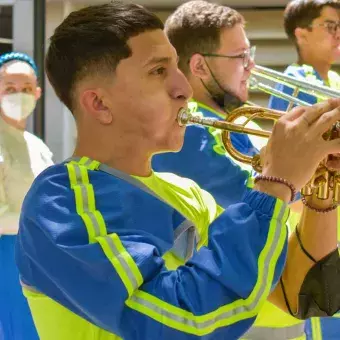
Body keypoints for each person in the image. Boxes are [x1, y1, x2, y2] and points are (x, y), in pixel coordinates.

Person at [15, 2, 340, 340]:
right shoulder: (60, 201)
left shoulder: (186, 193)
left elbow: (299, 296)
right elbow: (180, 321)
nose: (184, 87)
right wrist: (276, 182)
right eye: (158, 70)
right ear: (99, 103)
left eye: (175, 66)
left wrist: (323, 193)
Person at [152, 2, 306, 339]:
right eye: (240, 57)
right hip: (241, 317)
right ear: (200, 66)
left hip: (271, 310)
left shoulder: (232, 127)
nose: (252, 66)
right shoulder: (189, 127)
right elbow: (252, 200)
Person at [268, 2, 340, 338]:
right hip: (319, 216)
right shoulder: (292, 81)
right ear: (301, 33)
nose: (338, 34)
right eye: (329, 25)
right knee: (327, 311)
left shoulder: (336, 78)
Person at [0, 52, 53, 340]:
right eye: (9, 88)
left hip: (39, 256)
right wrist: (41, 221)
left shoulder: (37, 145)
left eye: (25, 89)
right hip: (7, 258)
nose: (18, 96)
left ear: (37, 92)